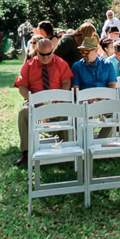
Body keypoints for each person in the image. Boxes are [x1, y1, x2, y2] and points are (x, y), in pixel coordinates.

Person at [12, 38, 73, 166]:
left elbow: (67, 81)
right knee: (24, 113)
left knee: (70, 112)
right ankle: (27, 151)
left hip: (56, 101)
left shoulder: (61, 63)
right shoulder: (28, 65)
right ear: (37, 51)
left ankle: (68, 148)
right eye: (42, 54)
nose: (45, 57)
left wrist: (60, 97)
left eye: (48, 54)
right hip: (35, 101)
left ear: (52, 51)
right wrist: (34, 100)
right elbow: (22, 87)